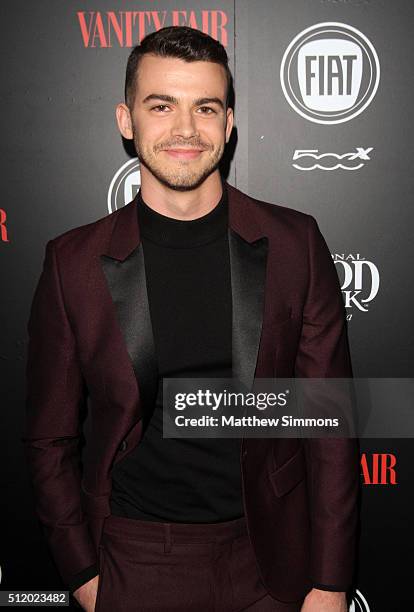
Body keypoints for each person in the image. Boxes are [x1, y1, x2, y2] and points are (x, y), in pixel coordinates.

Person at [23, 26, 359, 612]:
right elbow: (49, 437)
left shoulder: (294, 243)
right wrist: (81, 572)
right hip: (135, 558)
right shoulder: (71, 263)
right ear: (127, 120)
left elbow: (328, 422)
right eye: (162, 106)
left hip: (272, 559)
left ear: (228, 125)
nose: (185, 129)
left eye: (205, 108)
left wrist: (330, 582)